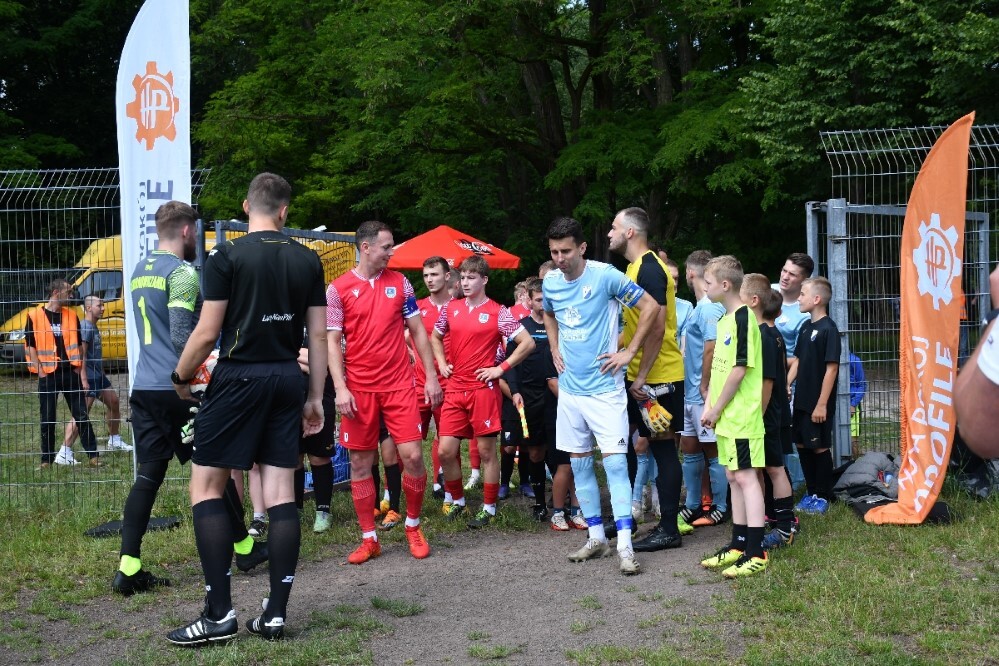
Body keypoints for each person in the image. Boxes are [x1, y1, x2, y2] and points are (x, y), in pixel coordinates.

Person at [167, 174, 326, 644]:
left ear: (246, 206)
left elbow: (205, 332)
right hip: (285, 379)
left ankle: (218, 614)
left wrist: (180, 378)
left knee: (207, 488)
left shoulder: (226, 255)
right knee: (280, 492)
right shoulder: (308, 258)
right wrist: (314, 395)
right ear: (285, 211)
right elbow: (317, 336)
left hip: (238, 377)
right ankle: (274, 614)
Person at [113, 201, 267, 599]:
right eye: (195, 232)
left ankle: (128, 567)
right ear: (185, 231)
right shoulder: (182, 274)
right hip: (176, 389)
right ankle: (245, 550)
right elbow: (183, 339)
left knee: (148, 475)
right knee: (215, 468)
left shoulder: (139, 270)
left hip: (144, 387)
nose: (196, 239)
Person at [544, 216, 659, 575]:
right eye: (553, 252)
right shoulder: (550, 280)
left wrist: (629, 352)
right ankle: (597, 538)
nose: (560, 258)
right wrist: (553, 347)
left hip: (606, 390)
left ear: (581, 247)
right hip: (571, 391)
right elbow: (548, 312)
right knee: (579, 463)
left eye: (565, 251)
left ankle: (625, 545)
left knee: (613, 464)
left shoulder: (606, 275)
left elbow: (652, 308)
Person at [327, 220, 442, 565]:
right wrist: (340, 387)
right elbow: (332, 341)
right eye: (387, 246)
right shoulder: (337, 289)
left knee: (413, 458)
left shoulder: (401, 284)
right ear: (366, 247)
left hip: (399, 386)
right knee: (361, 463)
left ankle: (412, 525)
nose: (392, 252)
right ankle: (369, 538)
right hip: (359, 391)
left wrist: (431, 377)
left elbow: (419, 333)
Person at [431, 255, 535, 528]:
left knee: (488, 452)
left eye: (471, 277)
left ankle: (488, 508)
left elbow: (527, 343)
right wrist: (442, 363)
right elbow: (435, 336)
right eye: (463, 277)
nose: (465, 282)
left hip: (483, 390)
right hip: (455, 388)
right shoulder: (451, 309)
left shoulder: (498, 311)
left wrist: (500, 369)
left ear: (484, 280)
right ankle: (458, 502)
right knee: (445, 450)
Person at [606, 208, 686, 555]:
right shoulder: (633, 268)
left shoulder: (651, 269)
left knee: (663, 448)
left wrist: (640, 375)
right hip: (637, 374)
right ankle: (627, 516)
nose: (609, 232)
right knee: (622, 441)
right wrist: (614, 350)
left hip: (658, 376)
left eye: (613, 227)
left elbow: (656, 327)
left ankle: (668, 528)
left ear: (630, 233)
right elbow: (634, 324)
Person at [698, 256, 769, 578]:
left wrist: (716, 408)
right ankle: (738, 545)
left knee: (746, 478)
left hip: (741, 416)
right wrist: (709, 405)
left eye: (708, 282)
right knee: (732, 477)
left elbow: (740, 370)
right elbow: (719, 369)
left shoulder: (744, 319)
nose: (704, 286)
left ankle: (757, 551)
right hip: (725, 416)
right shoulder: (724, 321)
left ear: (725, 285)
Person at [742, 277, 797, 550]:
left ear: (755, 301)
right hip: (772, 413)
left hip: (768, 416)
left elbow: (766, 382)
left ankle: (785, 528)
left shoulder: (765, 335)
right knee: (765, 469)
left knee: (774, 469)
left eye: (742, 294)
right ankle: (766, 520)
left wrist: (758, 417)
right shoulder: (770, 333)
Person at [24, 278, 100, 468]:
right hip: (48, 374)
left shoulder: (71, 316)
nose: (72, 295)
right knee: (47, 417)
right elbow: (30, 345)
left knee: (81, 414)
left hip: (70, 372)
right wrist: (39, 370)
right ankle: (46, 459)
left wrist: (78, 369)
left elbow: (79, 344)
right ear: (56, 293)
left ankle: (93, 455)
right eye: (68, 292)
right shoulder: (33, 316)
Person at [678, 251, 728, 527]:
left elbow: (711, 347)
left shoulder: (709, 306)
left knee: (712, 450)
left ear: (689, 273)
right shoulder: (700, 306)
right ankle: (693, 504)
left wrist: (706, 384)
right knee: (689, 446)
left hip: (702, 392)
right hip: (690, 392)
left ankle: (720, 506)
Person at [500, 277, 556, 521]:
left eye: (547, 299)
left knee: (558, 451)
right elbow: (509, 365)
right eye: (539, 300)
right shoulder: (521, 329)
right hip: (529, 397)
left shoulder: (560, 326)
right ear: (530, 301)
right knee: (534, 452)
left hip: (555, 395)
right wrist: (515, 391)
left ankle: (565, 501)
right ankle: (540, 503)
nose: (543, 304)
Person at [787, 276, 841, 514]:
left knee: (818, 447)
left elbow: (832, 369)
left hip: (818, 403)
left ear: (816, 299)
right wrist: (787, 384)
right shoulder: (806, 326)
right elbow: (798, 360)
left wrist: (821, 404)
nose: (798, 298)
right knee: (802, 444)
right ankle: (811, 492)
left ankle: (824, 495)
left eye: (802, 294)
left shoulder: (829, 329)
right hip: (801, 400)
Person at [61, 295, 132, 461]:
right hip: (89, 378)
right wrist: (84, 379)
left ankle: (114, 440)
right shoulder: (85, 327)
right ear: (88, 308)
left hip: (98, 376)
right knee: (81, 414)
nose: (103, 308)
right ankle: (64, 451)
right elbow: (81, 355)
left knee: (114, 402)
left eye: (103, 305)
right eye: (99, 306)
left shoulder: (93, 326)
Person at [773, 252, 814, 490]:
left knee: (788, 436)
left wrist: (786, 384)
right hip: (761, 379)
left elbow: (799, 358)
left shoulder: (804, 311)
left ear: (804, 280)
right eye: (784, 270)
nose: (785, 277)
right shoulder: (768, 293)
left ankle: (796, 486)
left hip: (788, 384)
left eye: (793, 274)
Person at [955, 264, 999, 458]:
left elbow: (978, 432)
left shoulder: (960, 287)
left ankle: (964, 367)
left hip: (961, 320)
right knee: (960, 350)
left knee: (963, 350)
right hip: (956, 321)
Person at [848, 352, 867, 460]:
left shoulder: (854, 360)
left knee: (852, 441)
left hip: (851, 404)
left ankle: (854, 465)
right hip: (834, 404)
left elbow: (862, 385)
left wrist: (853, 404)